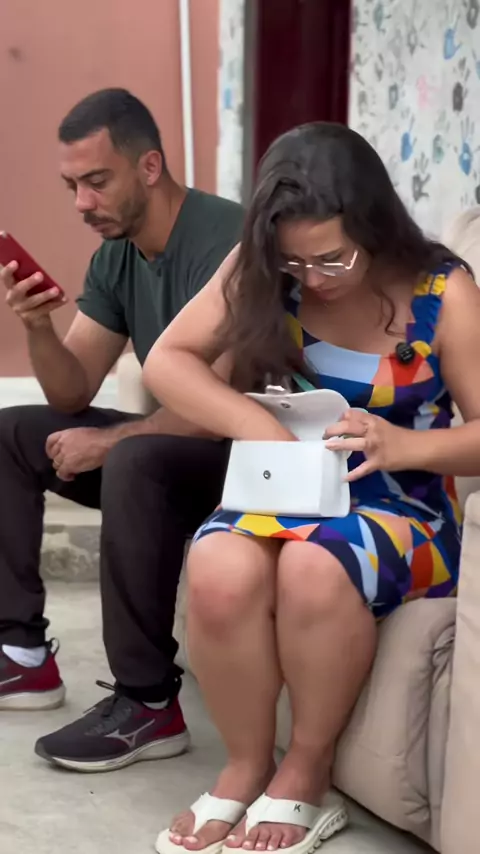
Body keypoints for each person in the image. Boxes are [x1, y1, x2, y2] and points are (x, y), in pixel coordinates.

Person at [143, 122, 480, 854]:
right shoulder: (267, 266)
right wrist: (257, 428)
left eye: (333, 258)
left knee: (314, 564)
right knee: (217, 565)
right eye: (296, 262)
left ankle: (306, 770)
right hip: (289, 485)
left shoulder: (442, 290)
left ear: (374, 224)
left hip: (404, 506)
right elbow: (168, 362)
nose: (315, 278)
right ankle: (244, 765)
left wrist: (402, 445)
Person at [0, 88, 243, 772]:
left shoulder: (228, 240)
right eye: (72, 186)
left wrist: (111, 442)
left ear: (150, 167)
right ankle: (21, 654)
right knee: (10, 434)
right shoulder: (117, 256)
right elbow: (72, 389)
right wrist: (37, 327)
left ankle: (147, 703)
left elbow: (217, 405)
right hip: (179, 448)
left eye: (97, 181)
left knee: (135, 458)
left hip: (251, 454)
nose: (82, 202)